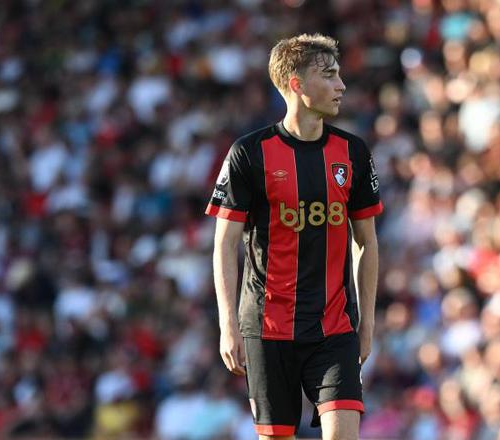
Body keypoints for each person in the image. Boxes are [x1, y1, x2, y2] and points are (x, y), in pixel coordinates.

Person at [205, 33, 382, 440]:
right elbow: (225, 244)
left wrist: (367, 322)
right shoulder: (249, 153)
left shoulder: (353, 153)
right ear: (297, 84)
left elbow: (367, 242)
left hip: (334, 327)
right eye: (330, 75)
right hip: (268, 327)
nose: (341, 85)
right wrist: (227, 324)